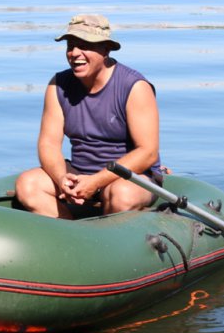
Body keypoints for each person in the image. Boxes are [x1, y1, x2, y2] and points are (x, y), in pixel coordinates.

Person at [15, 14, 163, 219]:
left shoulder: (135, 87)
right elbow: (48, 144)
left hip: (131, 177)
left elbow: (147, 152)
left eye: (84, 45)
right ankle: (72, 238)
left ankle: (108, 242)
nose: (75, 53)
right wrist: (61, 179)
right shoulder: (57, 85)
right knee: (28, 184)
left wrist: (96, 182)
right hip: (79, 170)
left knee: (120, 193)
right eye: (70, 45)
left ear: (106, 49)